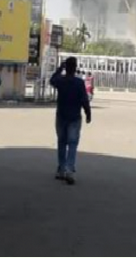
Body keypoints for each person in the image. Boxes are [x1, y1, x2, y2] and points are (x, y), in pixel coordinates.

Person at [50, 57, 92, 185]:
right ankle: (69, 170)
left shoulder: (61, 81)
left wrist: (59, 69)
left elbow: (52, 80)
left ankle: (61, 169)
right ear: (75, 69)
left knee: (62, 143)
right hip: (74, 117)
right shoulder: (79, 83)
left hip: (61, 116)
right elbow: (84, 100)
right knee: (72, 144)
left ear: (66, 68)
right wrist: (88, 113)